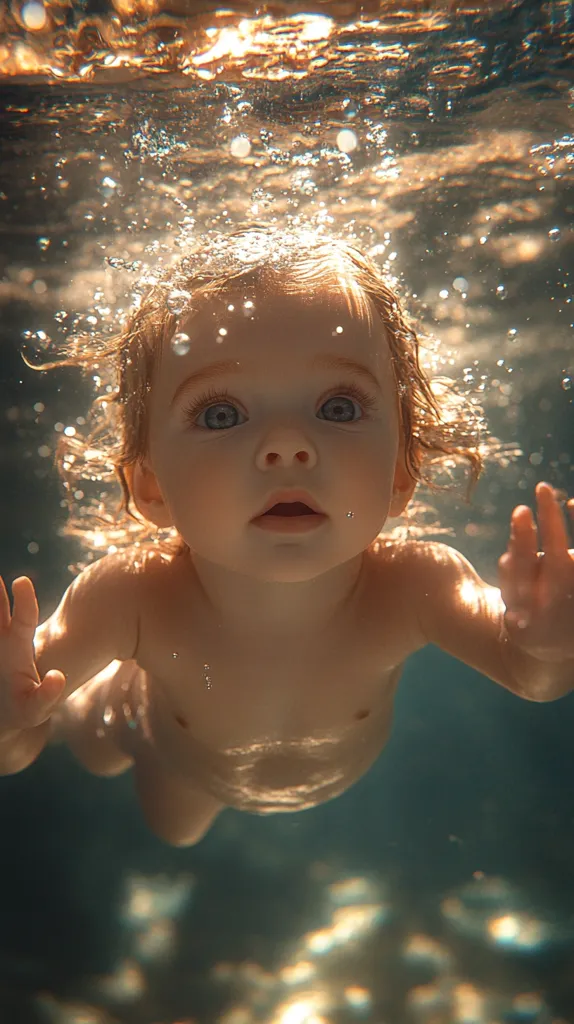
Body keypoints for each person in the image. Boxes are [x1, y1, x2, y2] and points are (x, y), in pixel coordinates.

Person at [1, 229, 573, 847]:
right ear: (153, 486)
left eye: (338, 408)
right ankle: (101, 702)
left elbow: (530, 677)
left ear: (401, 473)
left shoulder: (416, 585)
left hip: (278, 772)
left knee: (178, 835)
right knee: (146, 800)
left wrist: (543, 643)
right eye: (222, 414)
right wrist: (10, 720)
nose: (287, 445)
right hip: (172, 756)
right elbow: (16, 747)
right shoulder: (130, 598)